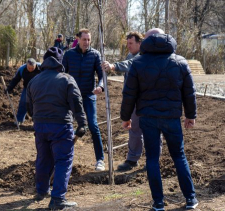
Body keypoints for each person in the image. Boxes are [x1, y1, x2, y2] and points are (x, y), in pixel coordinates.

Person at [120, 33, 198, 210]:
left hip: (148, 118)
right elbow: (189, 92)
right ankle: (191, 199)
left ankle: (158, 203)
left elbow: (129, 93)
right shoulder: (180, 62)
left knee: (152, 159)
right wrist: (190, 115)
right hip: (171, 118)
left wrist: (125, 118)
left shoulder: (138, 63)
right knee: (179, 156)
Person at [26, 47, 87, 210]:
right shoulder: (66, 79)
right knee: (63, 160)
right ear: (60, 62)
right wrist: (82, 124)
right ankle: (58, 198)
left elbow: (29, 107)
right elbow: (77, 104)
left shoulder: (34, 81)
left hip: (40, 126)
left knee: (43, 158)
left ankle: (41, 191)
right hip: (61, 125)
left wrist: (38, 118)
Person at [102, 29, 164, 171]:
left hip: (148, 99)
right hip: (134, 99)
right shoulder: (131, 54)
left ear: (140, 43)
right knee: (134, 129)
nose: (128, 45)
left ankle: (154, 160)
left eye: (131, 43)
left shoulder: (145, 55)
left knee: (153, 130)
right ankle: (132, 159)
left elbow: (131, 64)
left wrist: (114, 66)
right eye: (127, 43)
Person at [62, 28, 106, 171]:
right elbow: (62, 74)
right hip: (72, 96)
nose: (86, 42)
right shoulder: (68, 55)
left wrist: (100, 86)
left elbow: (102, 76)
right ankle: (61, 157)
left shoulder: (95, 55)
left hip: (88, 95)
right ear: (78, 39)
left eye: (89, 39)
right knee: (65, 125)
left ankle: (100, 160)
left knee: (93, 126)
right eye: (84, 39)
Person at [5, 58, 41, 125]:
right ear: (26, 65)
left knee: (38, 104)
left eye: (32, 68)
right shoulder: (22, 69)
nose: (30, 70)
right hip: (27, 88)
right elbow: (16, 79)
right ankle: (19, 120)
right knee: (23, 102)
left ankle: (37, 121)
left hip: (39, 88)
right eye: (29, 68)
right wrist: (9, 88)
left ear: (35, 65)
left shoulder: (42, 67)